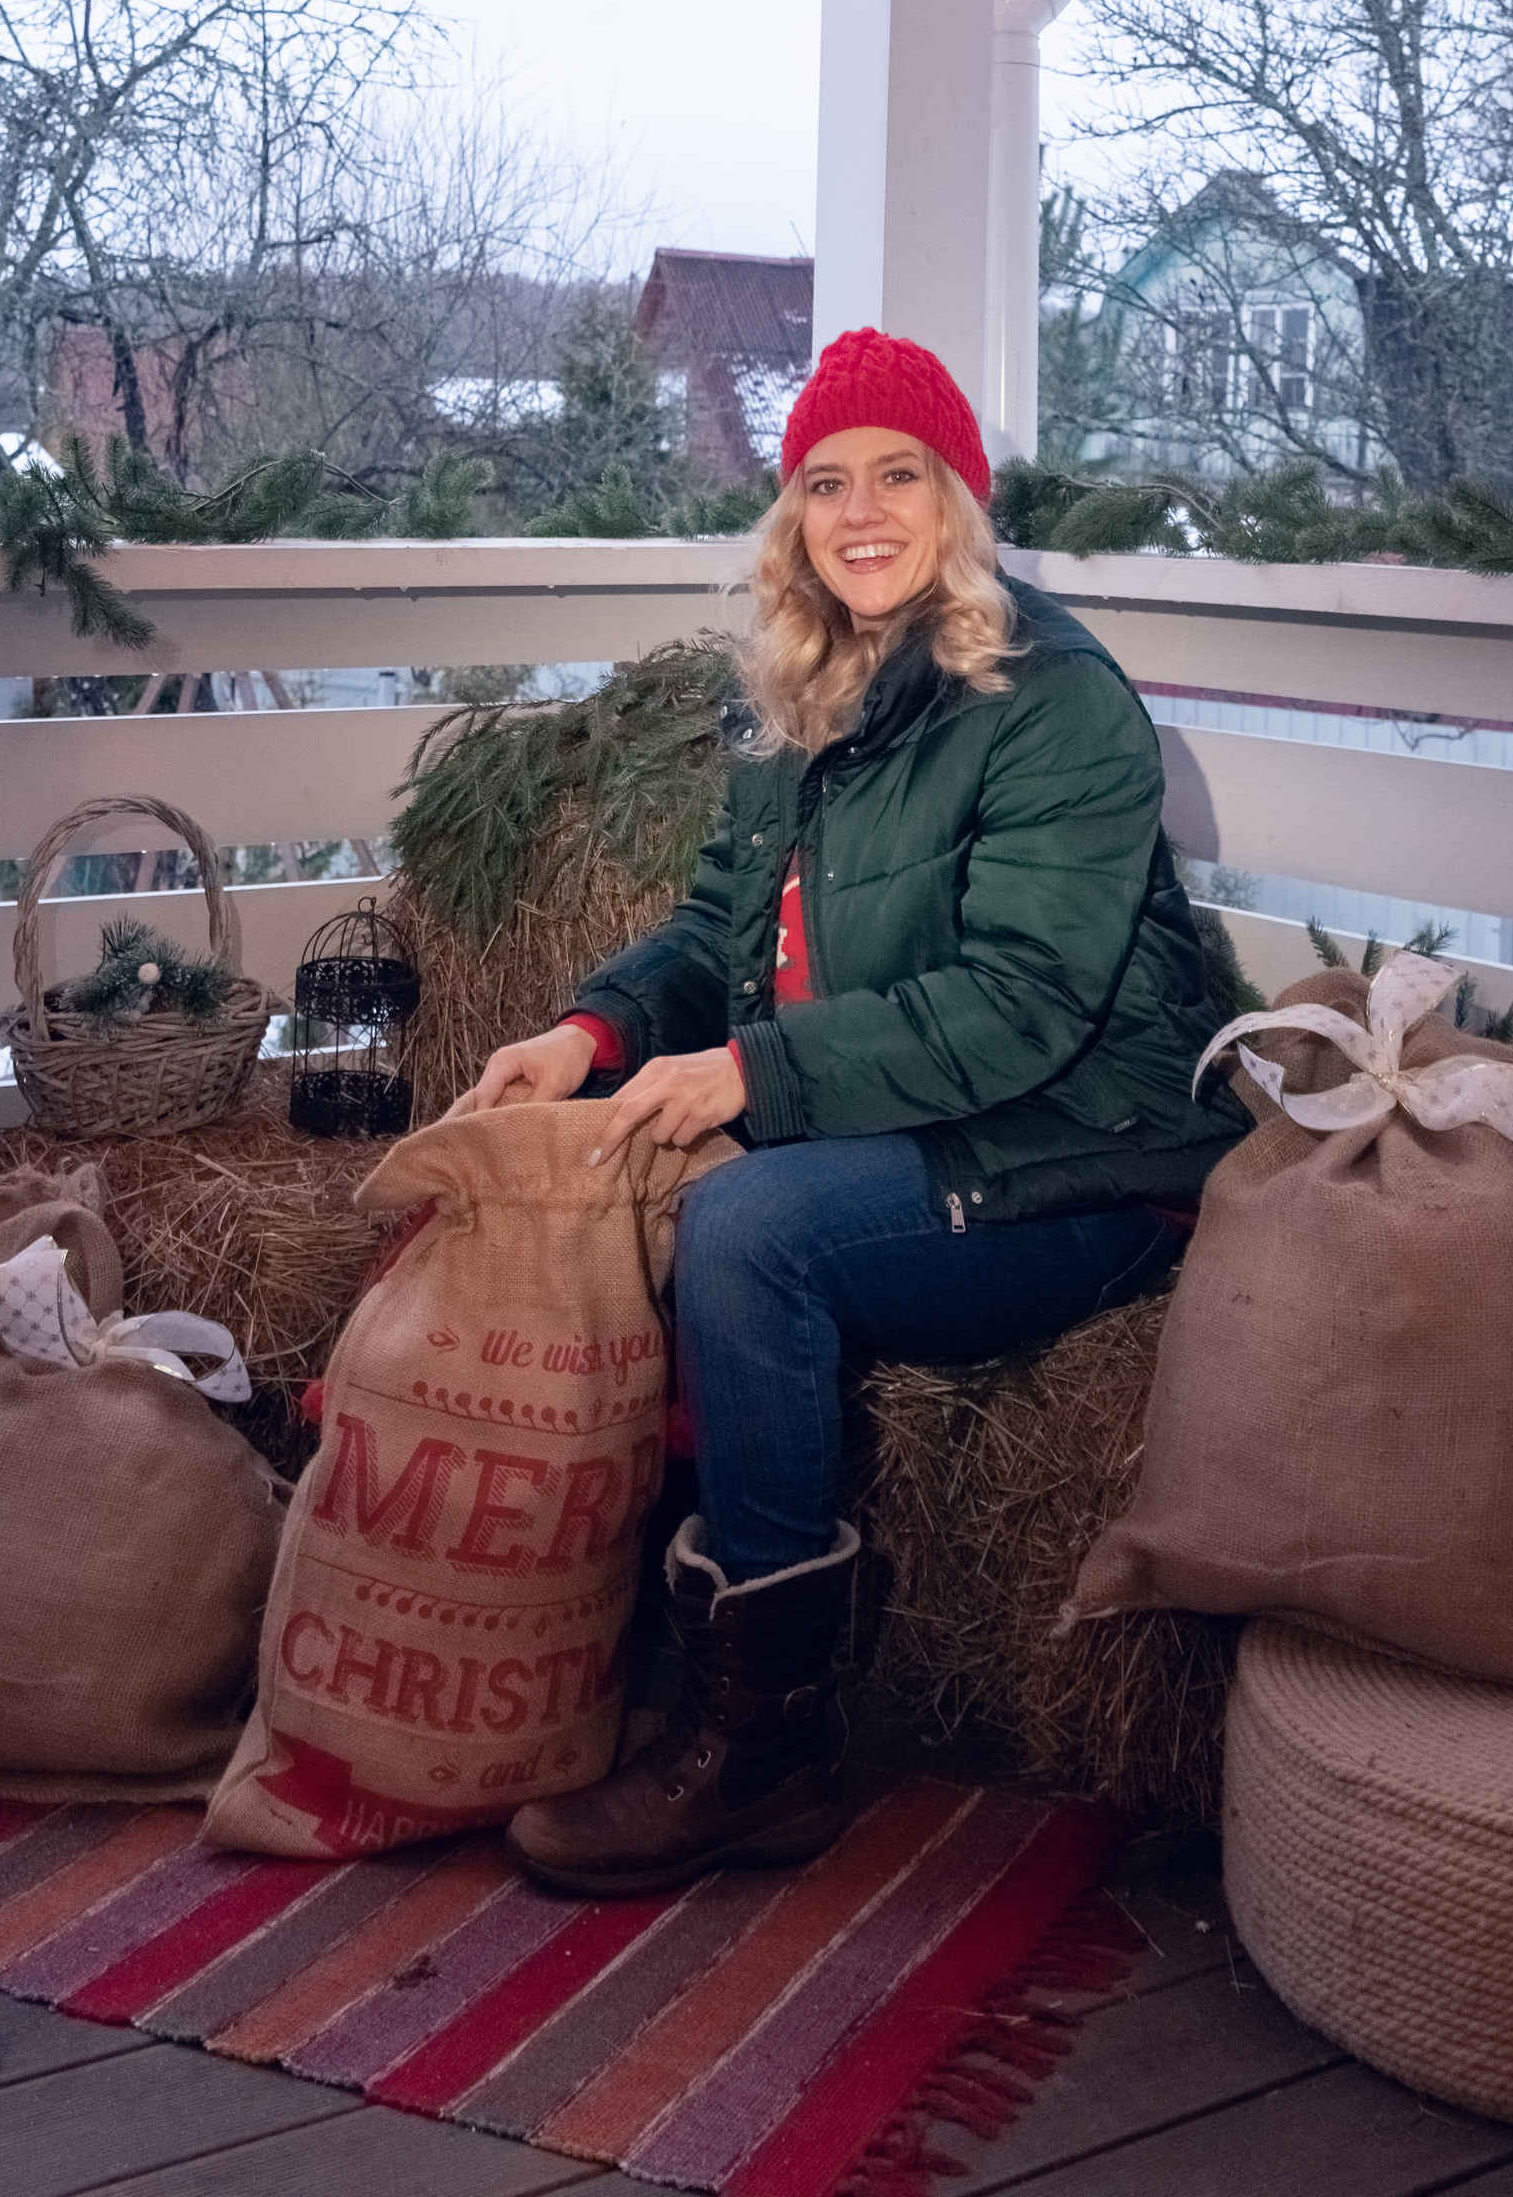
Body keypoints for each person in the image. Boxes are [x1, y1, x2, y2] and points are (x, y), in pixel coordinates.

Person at [465, 326, 1250, 1898]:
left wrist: (758, 1077)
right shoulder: (807, 690)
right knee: (625, 1158)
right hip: (919, 1115)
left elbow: (1030, 1004)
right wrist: (592, 1028)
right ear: (792, 516)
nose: (861, 510)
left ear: (958, 497)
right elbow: (719, 929)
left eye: (900, 473)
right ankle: (604, 1647)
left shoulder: (1056, 702)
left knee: (749, 1224)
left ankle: (760, 1754)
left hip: (1086, 1154)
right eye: (827, 481)